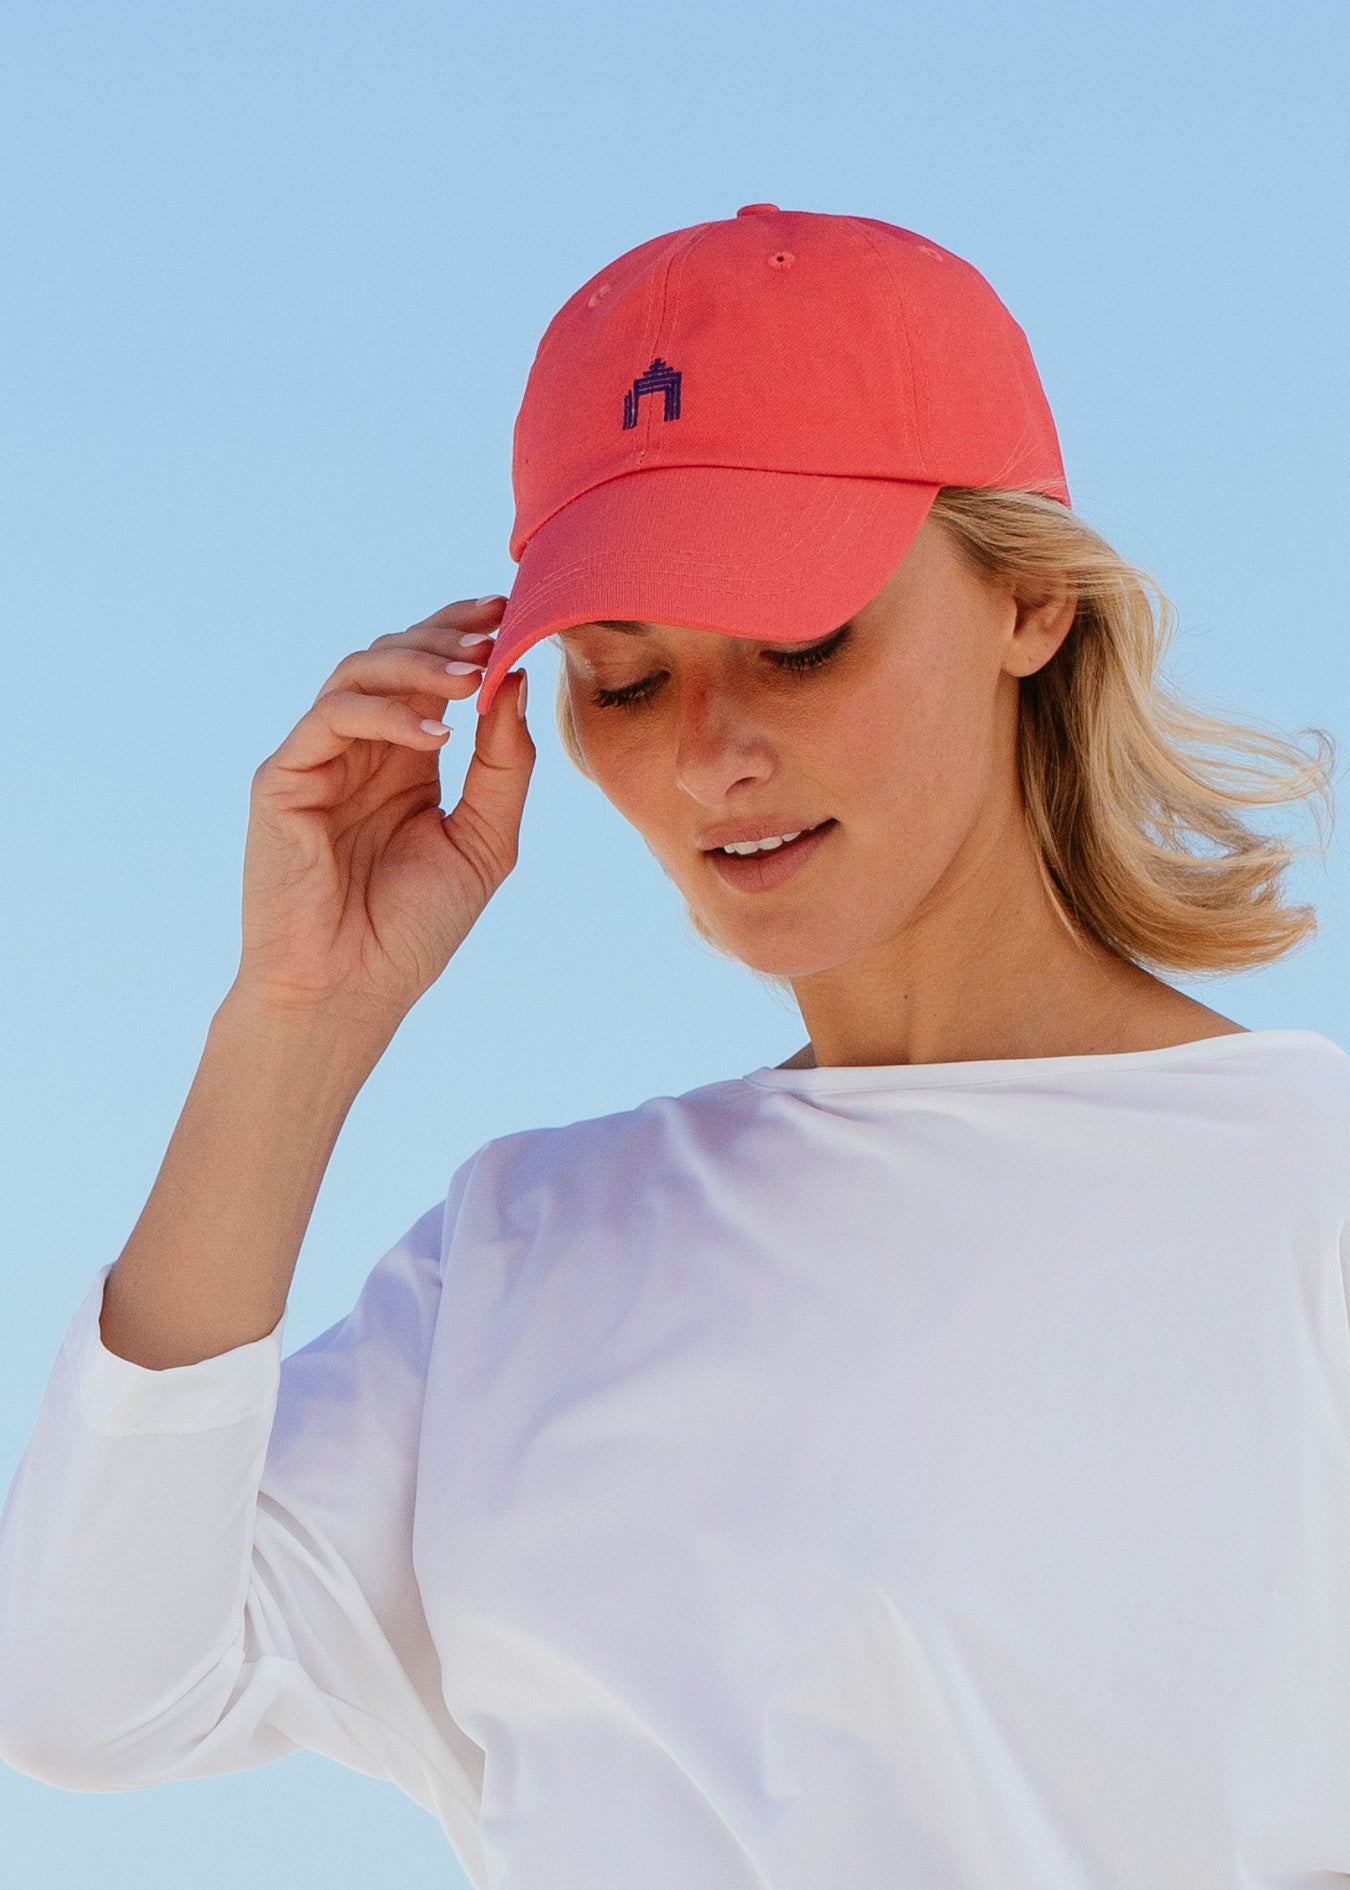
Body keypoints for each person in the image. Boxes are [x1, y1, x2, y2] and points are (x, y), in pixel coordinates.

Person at [0, 204, 1346, 1890]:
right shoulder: (528, 1249)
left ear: (1028, 601)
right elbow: (89, 1691)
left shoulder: (1303, 1192)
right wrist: (297, 1020)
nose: (711, 756)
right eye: (625, 679)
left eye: (801, 645)